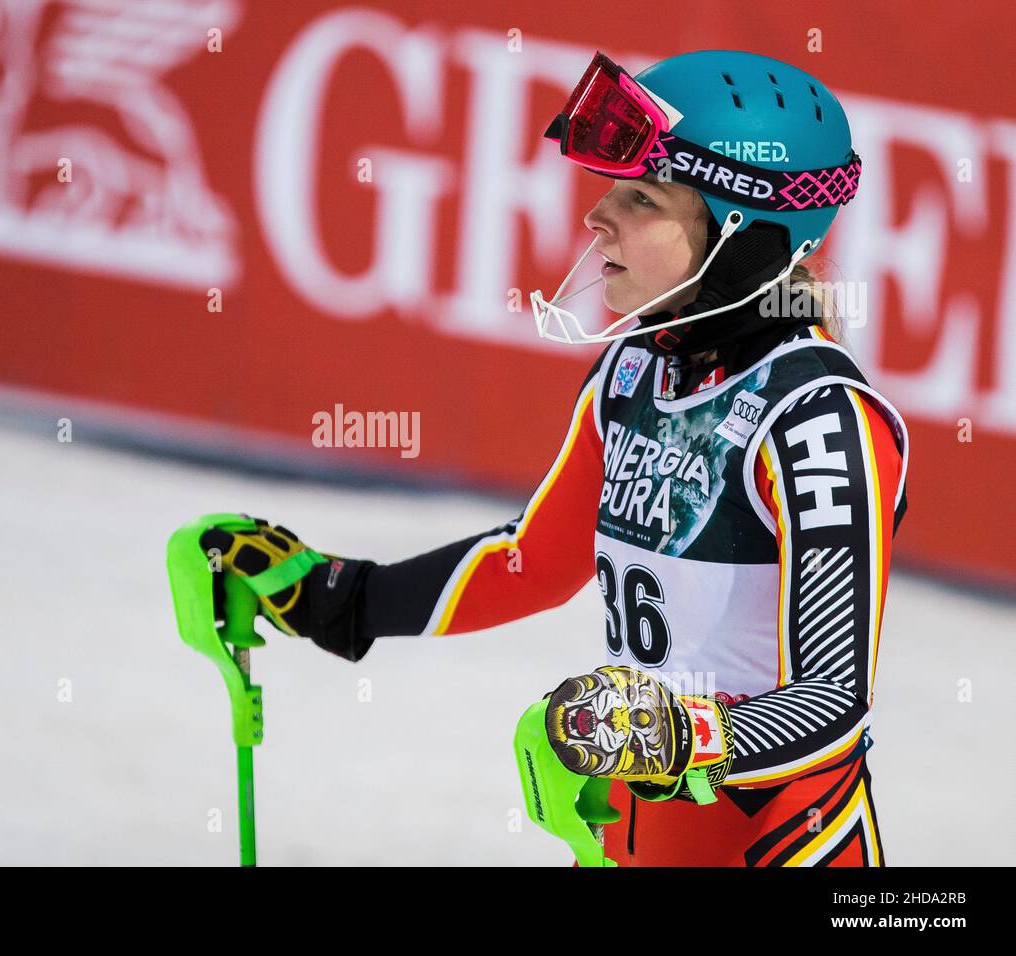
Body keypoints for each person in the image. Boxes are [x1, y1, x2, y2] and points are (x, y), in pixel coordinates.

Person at [200, 50, 908, 866]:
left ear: (743, 235)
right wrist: (338, 597)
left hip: (776, 847)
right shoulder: (634, 369)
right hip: (628, 835)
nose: (597, 215)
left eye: (641, 197)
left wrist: (675, 732)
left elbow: (831, 707)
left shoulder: (817, 417)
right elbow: (534, 559)